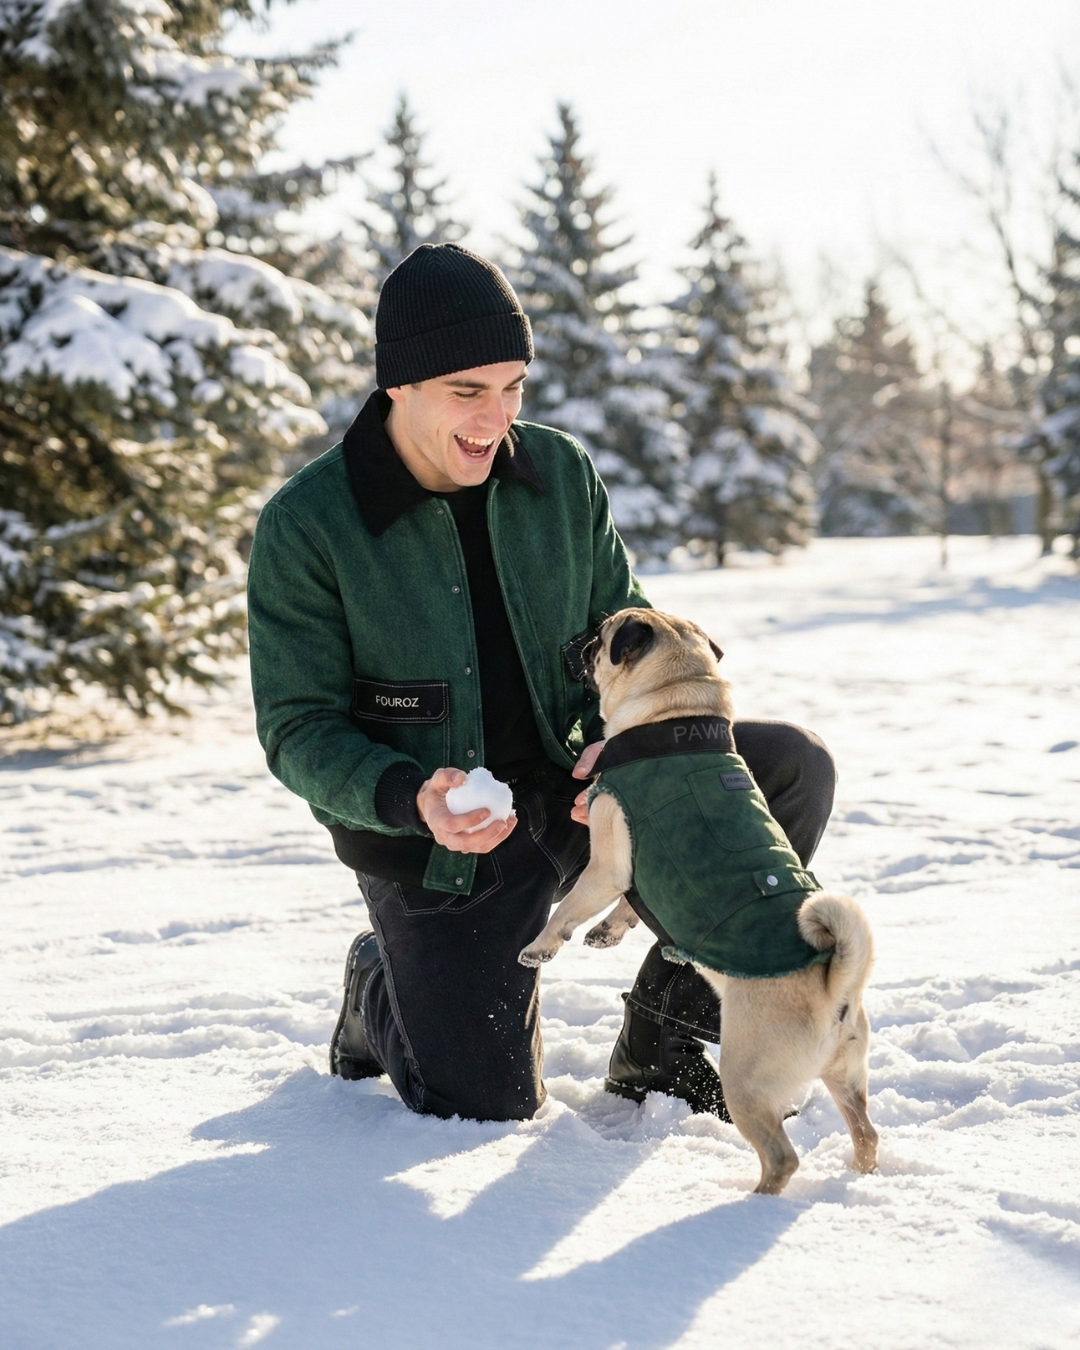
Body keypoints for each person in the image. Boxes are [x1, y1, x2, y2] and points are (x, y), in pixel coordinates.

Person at [246, 243, 836, 1123]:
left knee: (787, 767)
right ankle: (381, 980)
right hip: (442, 843)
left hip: (581, 794)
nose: (498, 416)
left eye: (514, 385)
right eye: (469, 391)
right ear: (400, 383)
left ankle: (664, 1036)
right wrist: (413, 796)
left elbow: (627, 625)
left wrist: (622, 745)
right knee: (481, 1102)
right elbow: (298, 727)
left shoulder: (557, 476)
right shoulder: (310, 525)